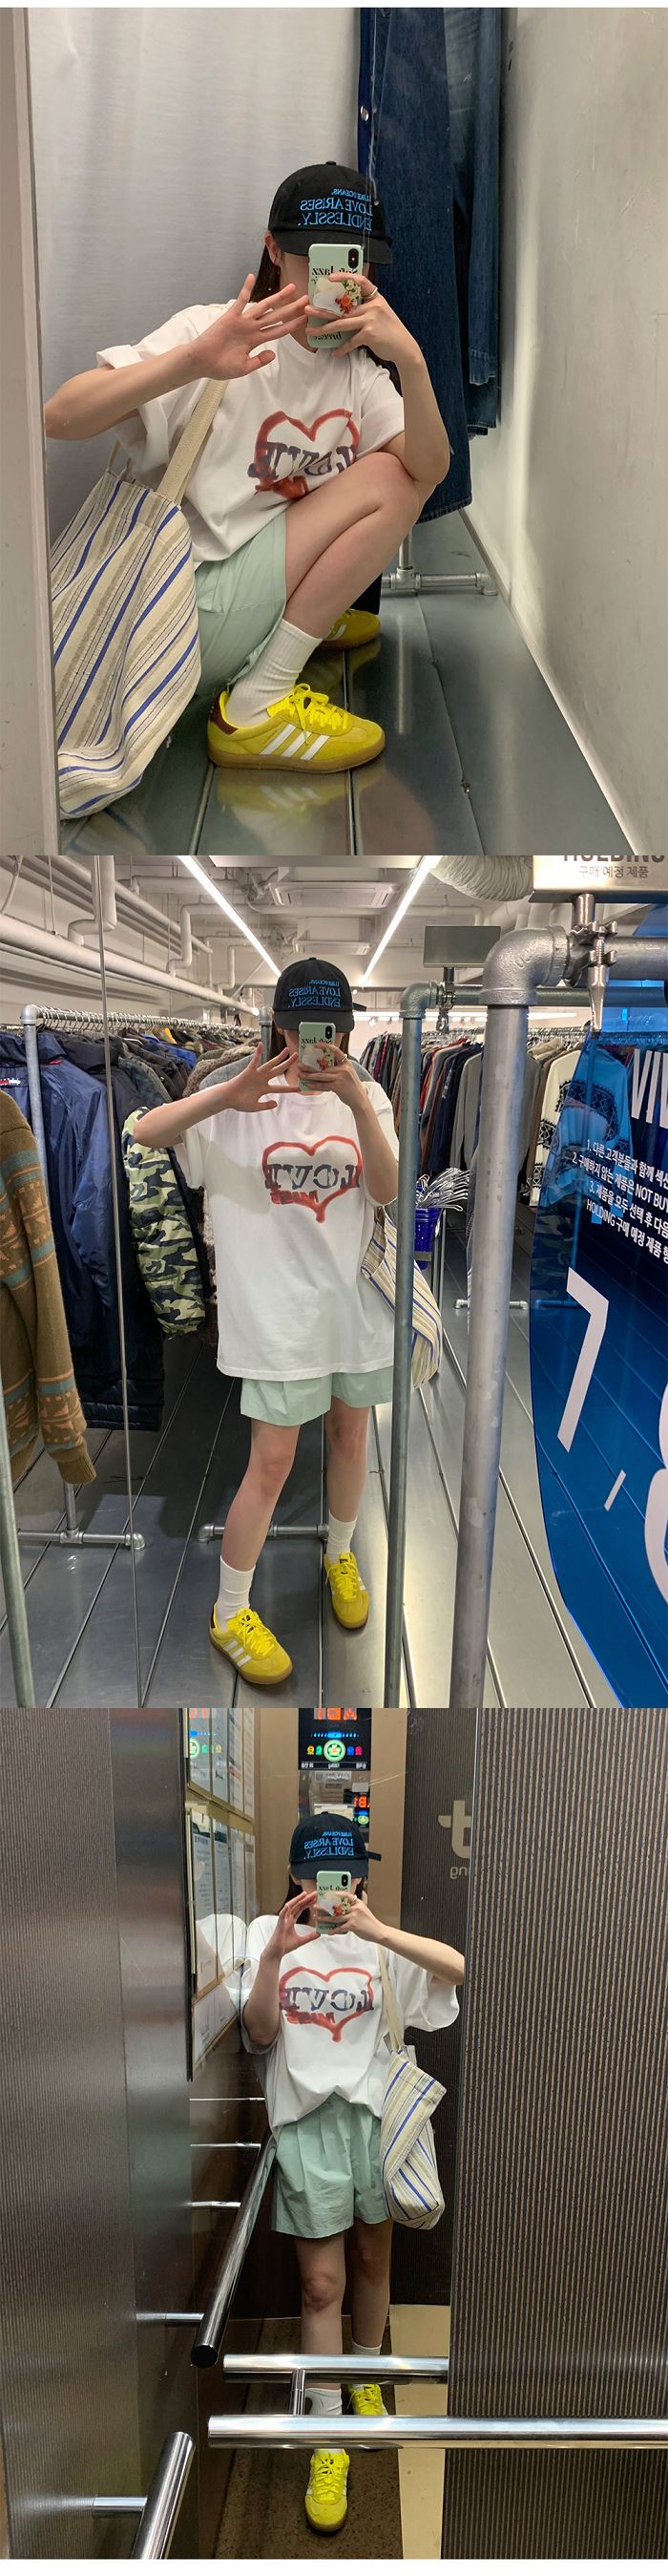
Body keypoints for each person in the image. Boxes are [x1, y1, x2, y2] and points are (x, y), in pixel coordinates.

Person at [45, 160, 450, 777]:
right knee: (387, 482)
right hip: (177, 617)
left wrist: (411, 360)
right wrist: (194, 361)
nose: (339, 281)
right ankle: (255, 706)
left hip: (229, 602)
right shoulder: (216, 333)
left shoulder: (358, 372)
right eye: (317, 259)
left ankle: (292, 620)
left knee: (402, 473)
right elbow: (60, 416)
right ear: (274, 251)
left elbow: (432, 467)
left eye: (355, 262)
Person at [133, 958, 400, 1686]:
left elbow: (385, 1190)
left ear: (346, 1030)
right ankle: (229, 1611)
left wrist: (358, 1106)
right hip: (275, 1315)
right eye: (304, 1028)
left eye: (333, 1030)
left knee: (350, 1437)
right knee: (272, 1462)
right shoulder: (233, 1094)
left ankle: (339, 1552)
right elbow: (145, 1134)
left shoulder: (367, 1091)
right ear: (278, 1026)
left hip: (353, 1305)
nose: (319, 1045)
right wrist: (224, 1096)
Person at [241, 1810, 465, 2534]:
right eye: (318, 1875)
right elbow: (260, 2034)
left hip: (373, 2122)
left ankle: (367, 2377)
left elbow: (461, 1968)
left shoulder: (377, 1942)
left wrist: (378, 1933)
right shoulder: (265, 1934)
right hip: (306, 2126)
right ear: (294, 1876)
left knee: (373, 2261)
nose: (334, 1888)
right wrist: (275, 1955)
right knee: (319, 2286)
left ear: (362, 1877)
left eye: (347, 1875)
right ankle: (326, 2433)